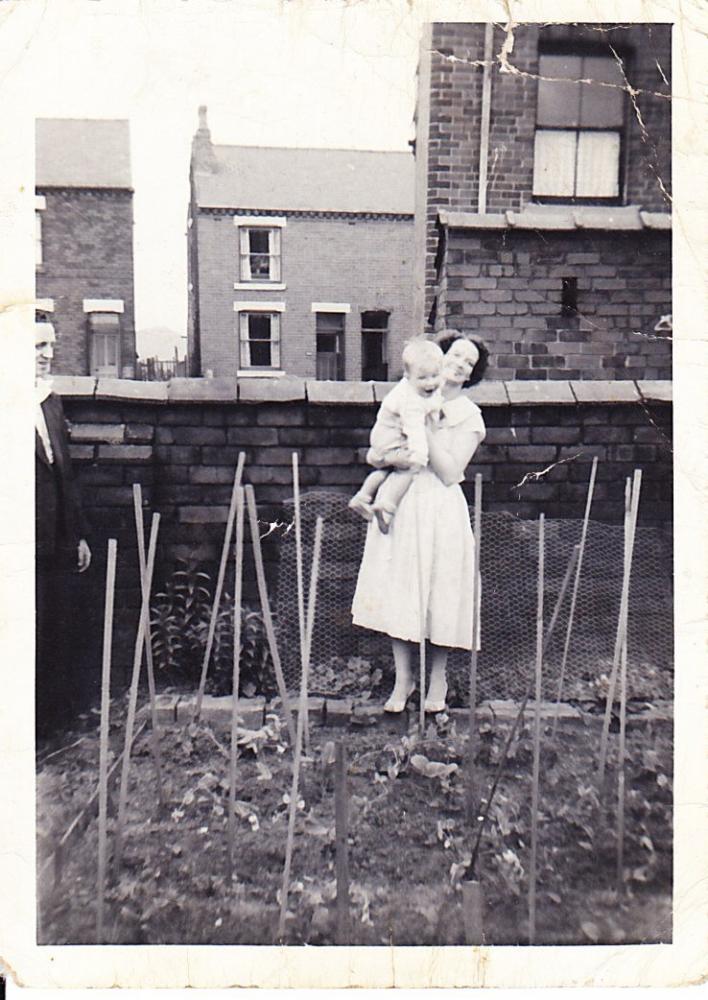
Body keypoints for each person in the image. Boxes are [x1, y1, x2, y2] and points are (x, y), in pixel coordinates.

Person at [351, 332, 488, 713]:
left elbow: (450, 471)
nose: (459, 365)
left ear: (472, 374)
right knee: (401, 589)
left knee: (440, 591)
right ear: (439, 355)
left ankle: (437, 680)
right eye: (455, 355)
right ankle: (403, 679)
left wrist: (423, 427)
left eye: (469, 363)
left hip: (441, 507)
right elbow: (377, 451)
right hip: (403, 502)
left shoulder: (469, 417)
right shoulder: (406, 393)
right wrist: (386, 452)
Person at [35, 321, 92, 740]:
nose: (47, 354)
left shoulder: (49, 401)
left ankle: (51, 723)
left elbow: (66, 474)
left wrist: (78, 535)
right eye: (38, 345)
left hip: (56, 539)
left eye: (51, 345)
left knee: (57, 626)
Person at [349, 339, 444, 534]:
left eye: (435, 376)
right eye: (423, 378)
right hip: (390, 438)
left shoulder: (411, 390)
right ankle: (386, 506)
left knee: (387, 470)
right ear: (408, 376)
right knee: (408, 468)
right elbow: (415, 430)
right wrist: (419, 457)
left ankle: (363, 496)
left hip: (383, 435)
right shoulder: (411, 402)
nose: (430, 382)